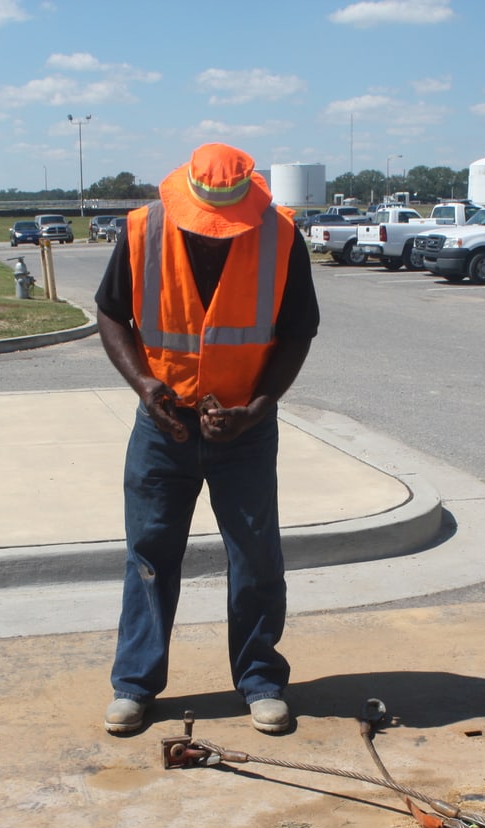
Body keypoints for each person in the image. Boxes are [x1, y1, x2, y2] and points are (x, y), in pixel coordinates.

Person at [94, 143, 320, 735]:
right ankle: (135, 686)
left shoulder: (280, 236)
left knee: (255, 557)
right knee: (149, 556)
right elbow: (111, 312)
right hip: (163, 426)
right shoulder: (143, 230)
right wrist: (146, 386)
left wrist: (258, 408)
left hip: (243, 430)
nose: (217, 236)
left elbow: (299, 330)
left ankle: (261, 680)